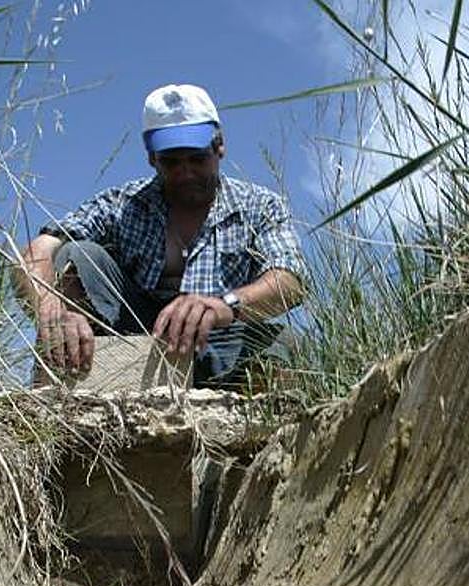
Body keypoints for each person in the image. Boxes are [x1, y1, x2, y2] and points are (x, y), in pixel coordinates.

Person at [16, 83, 306, 387]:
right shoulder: (121, 204)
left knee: (281, 344)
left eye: (196, 158)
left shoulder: (260, 205)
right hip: (126, 338)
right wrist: (51, 309)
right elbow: (37, 252)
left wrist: (225, 305)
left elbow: (290, 280)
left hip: (217, 341)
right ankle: (66, 374)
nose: (185, 172)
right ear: (152, 157)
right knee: (76, 254)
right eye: (171, 161)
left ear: (219, 146)